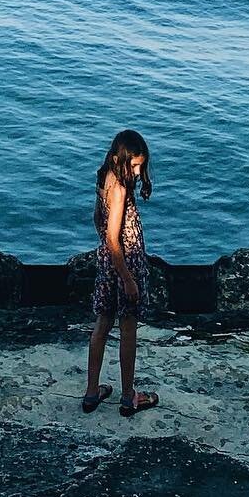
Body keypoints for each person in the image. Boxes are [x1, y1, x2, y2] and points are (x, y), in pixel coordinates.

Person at [82, 129, 160, 415]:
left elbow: (97, 220)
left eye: (141, 165)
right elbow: (115, 238)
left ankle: (92, 392)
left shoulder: (105, 177)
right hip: (124, 263)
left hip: (108, 262)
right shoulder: (121, 188)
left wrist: (106, 251)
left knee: (102, 324)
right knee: (128, 329)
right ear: (119, 158)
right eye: (134, 165)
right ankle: (129, 396)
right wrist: (127, 279)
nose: (138, 172)